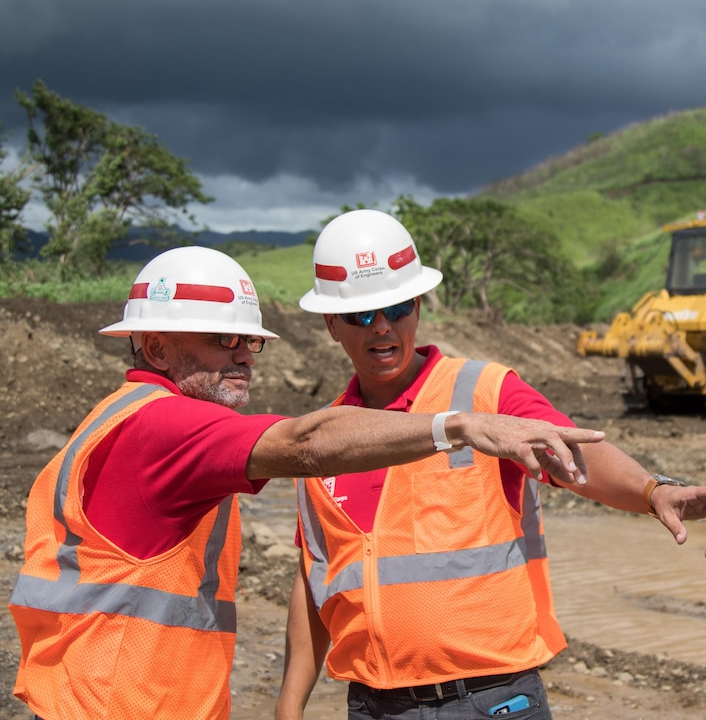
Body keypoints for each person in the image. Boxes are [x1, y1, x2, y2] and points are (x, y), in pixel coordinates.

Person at [7, 245, 605, 720]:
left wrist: (654, 491)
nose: (244, 355)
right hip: (122, 704)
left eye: (250, 341)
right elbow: (306, 444)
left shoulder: (115, 415)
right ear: (158, 345)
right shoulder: (166, 424)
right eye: (223, 340)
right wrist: (460, 424)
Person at [275, 209, 706, 720]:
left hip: (489, 700)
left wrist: (653, 491)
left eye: (398, 307)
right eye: (361, 315)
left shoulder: (483, 391)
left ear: (418, 307)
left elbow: (570, 451)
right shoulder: (320, 440)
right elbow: (313, 575)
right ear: (330, 324)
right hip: (375, 706)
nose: (382, 327)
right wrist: (288, 706)